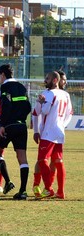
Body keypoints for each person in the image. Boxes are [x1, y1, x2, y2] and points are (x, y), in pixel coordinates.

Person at [0, 63, 31, 200]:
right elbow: (28, 106)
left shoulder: (5, 87)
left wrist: (2, 124)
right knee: (22, 158)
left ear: (3, 74)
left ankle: (8, 181)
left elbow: (5, 105)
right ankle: (23, 191)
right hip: (21, 125)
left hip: (9, 125)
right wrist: (21, 118)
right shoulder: (21, 86)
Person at [34, 71, 73, 199]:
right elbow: (69, 113)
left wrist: (41, 102)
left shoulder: (49, 94)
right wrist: (61, 124)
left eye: (48, 78)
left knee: (42, 160)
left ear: (55, 80)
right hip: (59, 131)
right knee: (58, 161)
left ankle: (49, 188)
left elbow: (44, 111)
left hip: (48, 132)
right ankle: (60, 191)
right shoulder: (66, 94)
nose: (45, 80)